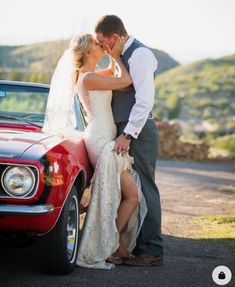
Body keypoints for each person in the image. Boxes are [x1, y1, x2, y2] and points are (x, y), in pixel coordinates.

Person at [43, 33, 147, 269]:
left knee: (117, 196)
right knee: (132, 196)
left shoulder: (92, 76)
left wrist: (113, 58)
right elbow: (126, 80)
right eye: (97, 44)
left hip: (105, 137)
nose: (102, 46)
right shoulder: (88, 78)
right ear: (89, 52)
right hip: (101, 141)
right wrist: (118, 56)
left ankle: (118, 247)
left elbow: (115, 75)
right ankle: (109, 245)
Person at [95, 15, 163, 266]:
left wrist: (128, 134)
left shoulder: (139, 55)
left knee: (145, 188)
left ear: (115, 37)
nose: (102, 47)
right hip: (124, 130)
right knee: (129, 189)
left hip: (138, 131)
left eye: (103, 42)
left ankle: (152, 250)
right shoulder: (119, 55)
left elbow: (145, 100)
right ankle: (128, 246)